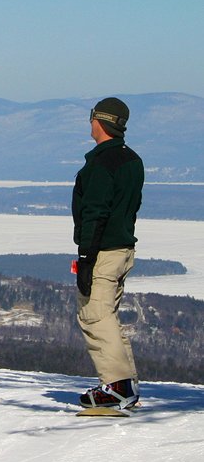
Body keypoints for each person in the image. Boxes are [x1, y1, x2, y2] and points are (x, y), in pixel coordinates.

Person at [72, 97, 144, 409]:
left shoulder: (102, 164)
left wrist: (87, 257)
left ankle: (117, 387)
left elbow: (95, 213)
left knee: (94, 314)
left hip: (104, 251)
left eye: (92, 118)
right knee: (108, 317)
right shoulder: (132, 160)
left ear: (100, 121)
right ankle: (126, 386)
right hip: (123, 249)